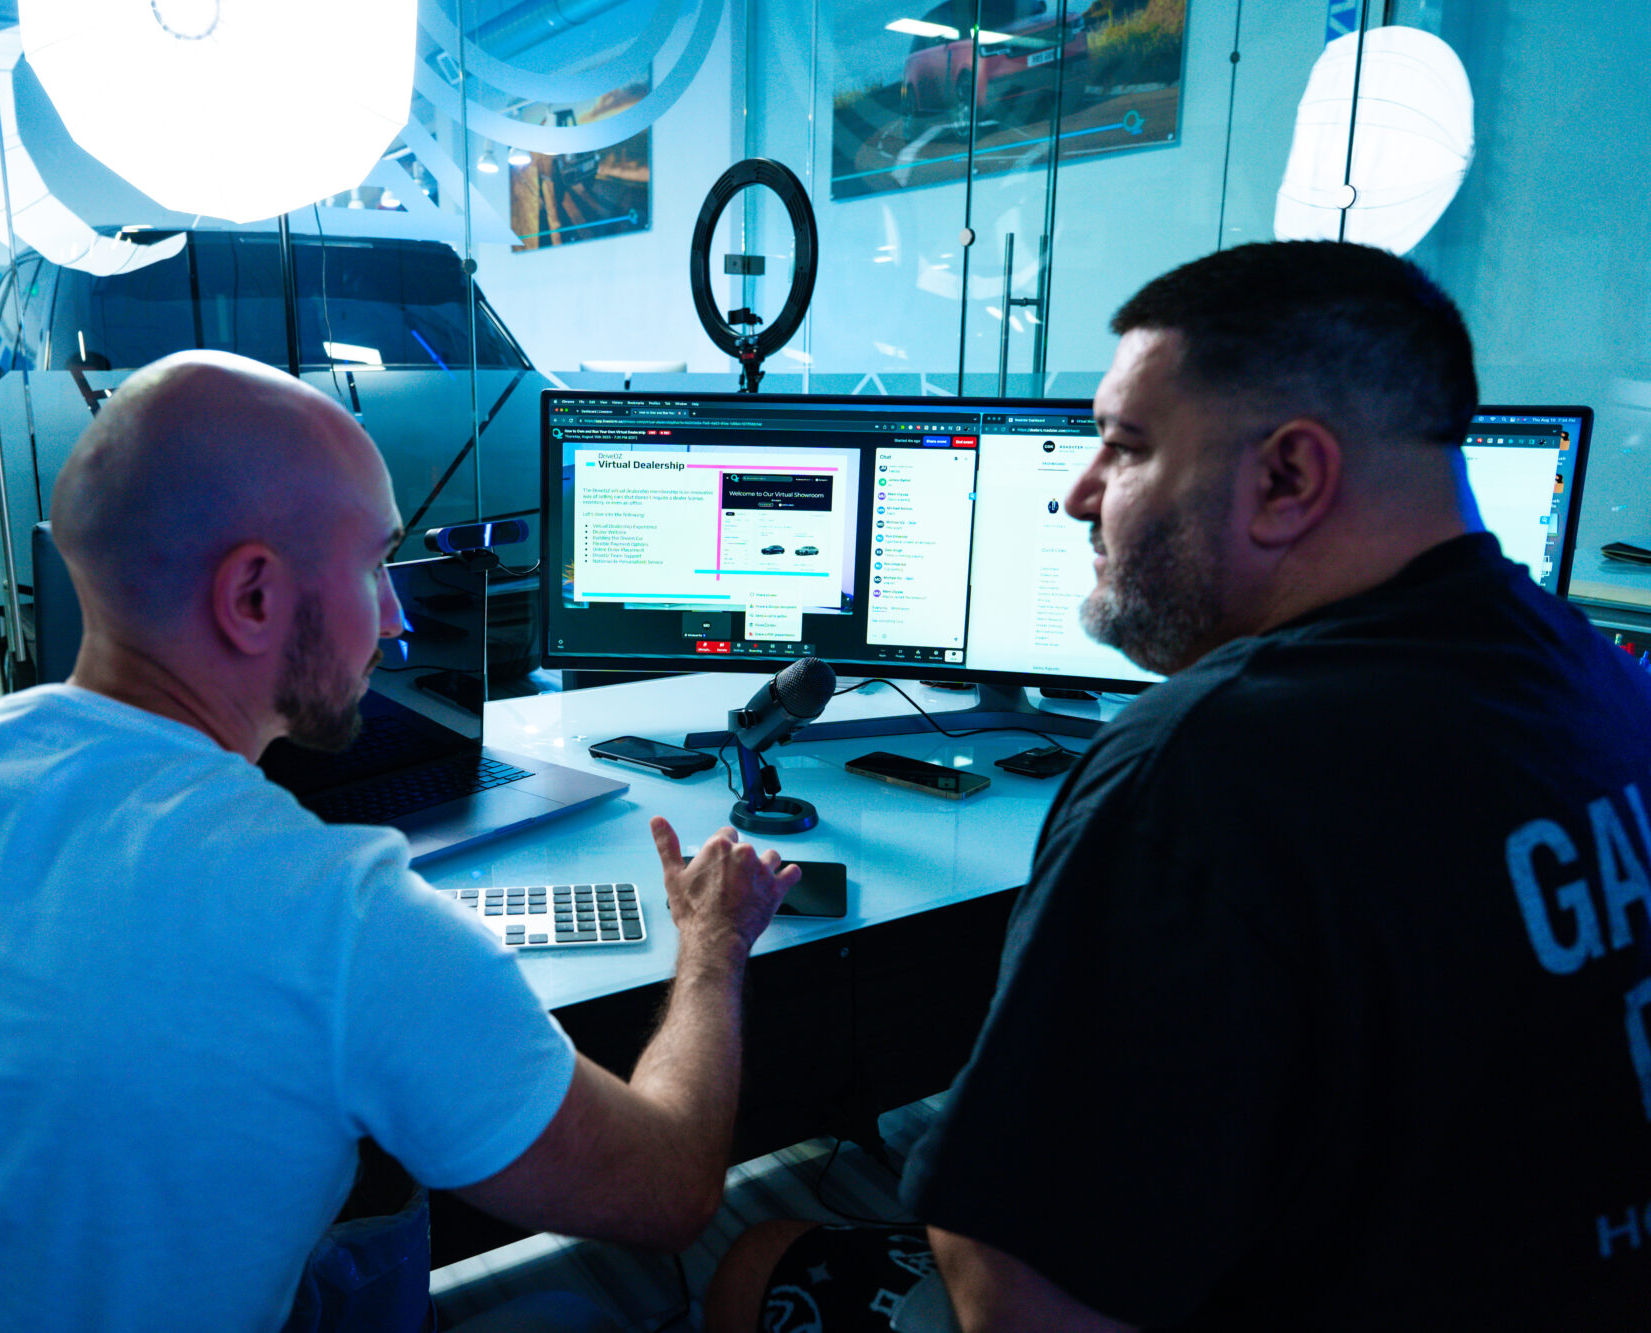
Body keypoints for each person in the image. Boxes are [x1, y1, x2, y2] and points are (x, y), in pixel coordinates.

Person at [0, 350, 799, 1332]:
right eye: (373, 564)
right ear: (251, 596)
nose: (397, 613)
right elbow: (670, 1190)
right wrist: (709, 948)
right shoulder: (340, 921)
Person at [705, 241, 1651, 1331]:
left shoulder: (1201, 767)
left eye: (1122, 446)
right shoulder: (1603, 683)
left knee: (755, 1258)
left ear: (1287, 479)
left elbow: (1012, 1295)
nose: (1076, 494)